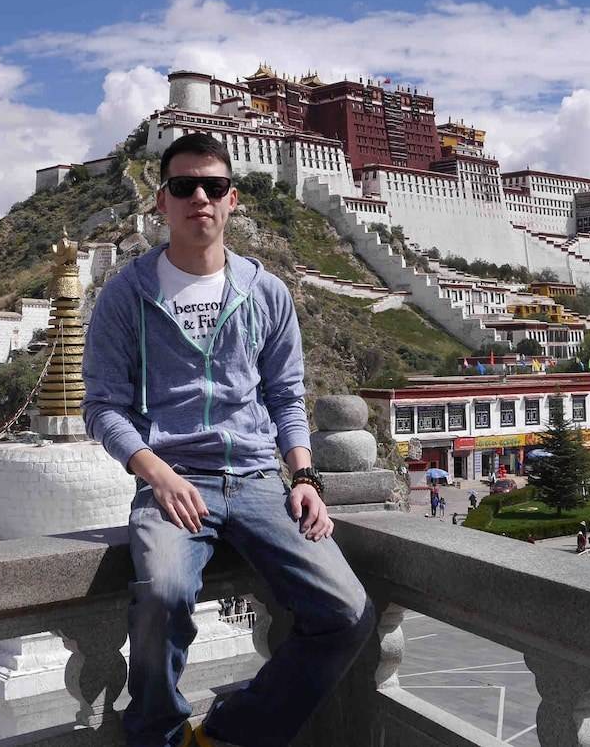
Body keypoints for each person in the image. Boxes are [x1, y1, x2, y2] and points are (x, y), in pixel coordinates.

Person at [82, 133, 373, 747]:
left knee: (347, 611)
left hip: (260, 479)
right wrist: (156, 473)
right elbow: (104, 408)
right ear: (161, 200)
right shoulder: (125, 296)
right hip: (173, 480)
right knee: (162, 596)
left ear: (232, 199)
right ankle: (159, 735)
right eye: (184, 186)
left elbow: (286, 397)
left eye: (213, 187)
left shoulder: (266, 292)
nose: (200, 198)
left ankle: (229, 734)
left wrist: (303, 475)